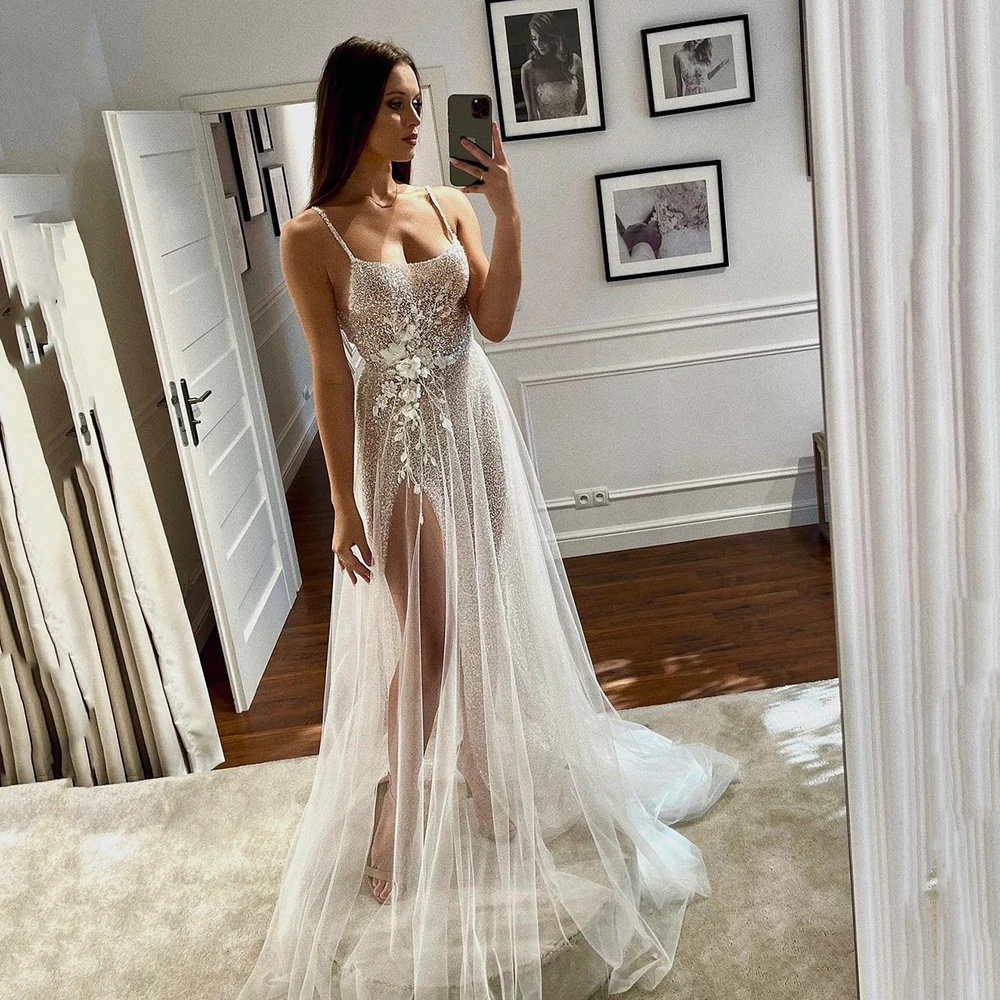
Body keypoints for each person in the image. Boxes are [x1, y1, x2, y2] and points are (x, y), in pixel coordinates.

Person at [236, 34, 742, 1000]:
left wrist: (508, 213)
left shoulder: (449, 203)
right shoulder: (311, 237)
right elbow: (331, 375)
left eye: (418, 103)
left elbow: (495, 321)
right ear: (352, 111)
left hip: (474, 423)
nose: (413, 120)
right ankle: (397, 799)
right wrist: (341, 502)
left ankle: (475, 760)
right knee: (425, 637)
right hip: (395, 445)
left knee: (482, 612)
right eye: (395, 103)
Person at [519, 12, 587, 120]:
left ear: (554, 37)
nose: (538, 44)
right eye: (534, 38)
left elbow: (592, 95)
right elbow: (532, 116)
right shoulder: (528, 69)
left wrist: (581, 120)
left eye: (542, 38)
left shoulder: (574, 60)